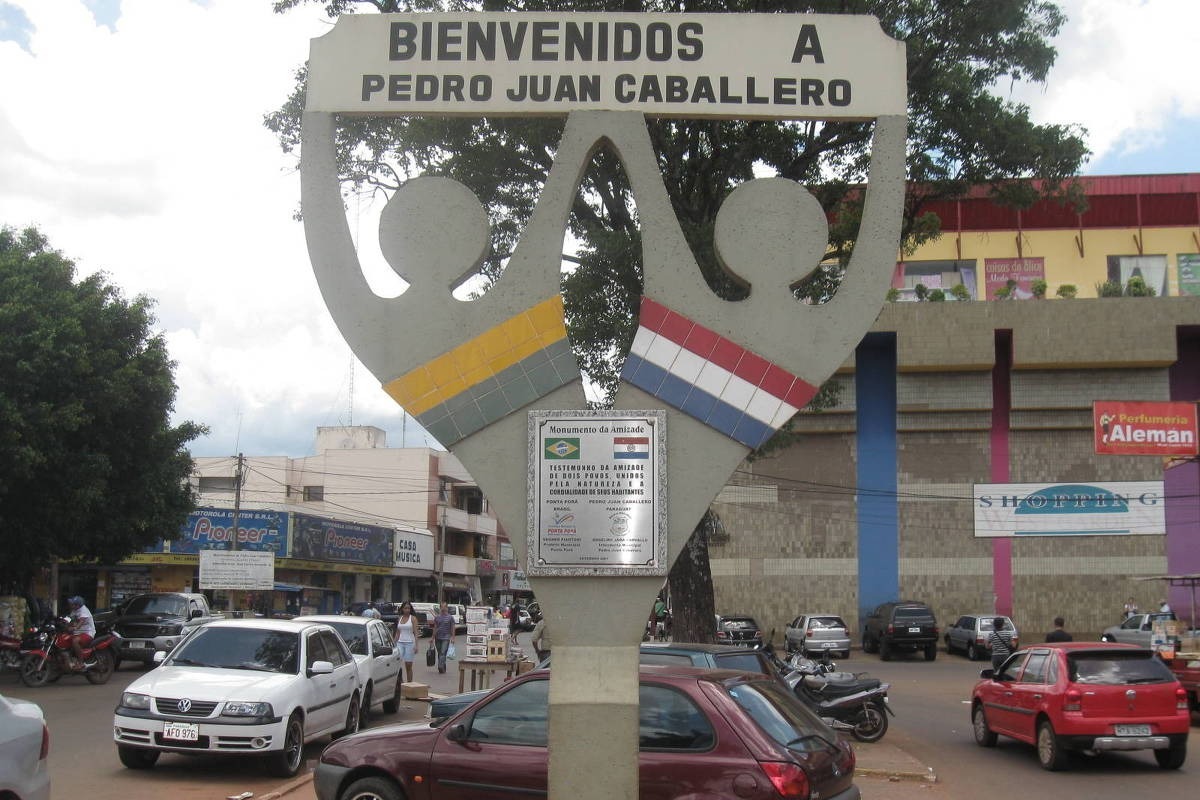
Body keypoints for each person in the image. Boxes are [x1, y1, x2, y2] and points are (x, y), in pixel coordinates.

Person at [66, 596, 96, 667]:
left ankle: (81, 662)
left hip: (87, 633)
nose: (70, 605)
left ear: (77, 605)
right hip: (78, 633)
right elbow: (70, 620)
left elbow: (80, 622)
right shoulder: (74, 610)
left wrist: (74, 628)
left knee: (75, 641)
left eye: (72, 604)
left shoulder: (83, 611)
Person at [393, 601, 418, 683]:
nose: (407, 610)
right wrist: (393, 644)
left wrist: (416, 645)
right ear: (402, 609)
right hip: (400, 643)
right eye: (405, 608)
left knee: (408, 665)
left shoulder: (413, 619)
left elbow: (416, 633)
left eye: (408, 608)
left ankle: (409, 684)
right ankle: (401, 682)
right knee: (397, 663)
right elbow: (397, 632)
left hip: (410, 643)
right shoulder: (399, 618)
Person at [431, 601, 455, 674]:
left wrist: (453, 637)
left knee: (443, 652)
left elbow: (453, 628)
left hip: (446, 637)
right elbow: (435, 628)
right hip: (438, 637)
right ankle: (443, 665)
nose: (443, 608)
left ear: (447, 608)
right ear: (440, 608)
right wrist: (432, 638)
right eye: (442, 607)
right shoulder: (437, 617)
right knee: (440, 653)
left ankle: (440, 666)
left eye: (445, 607)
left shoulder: (450, 617)